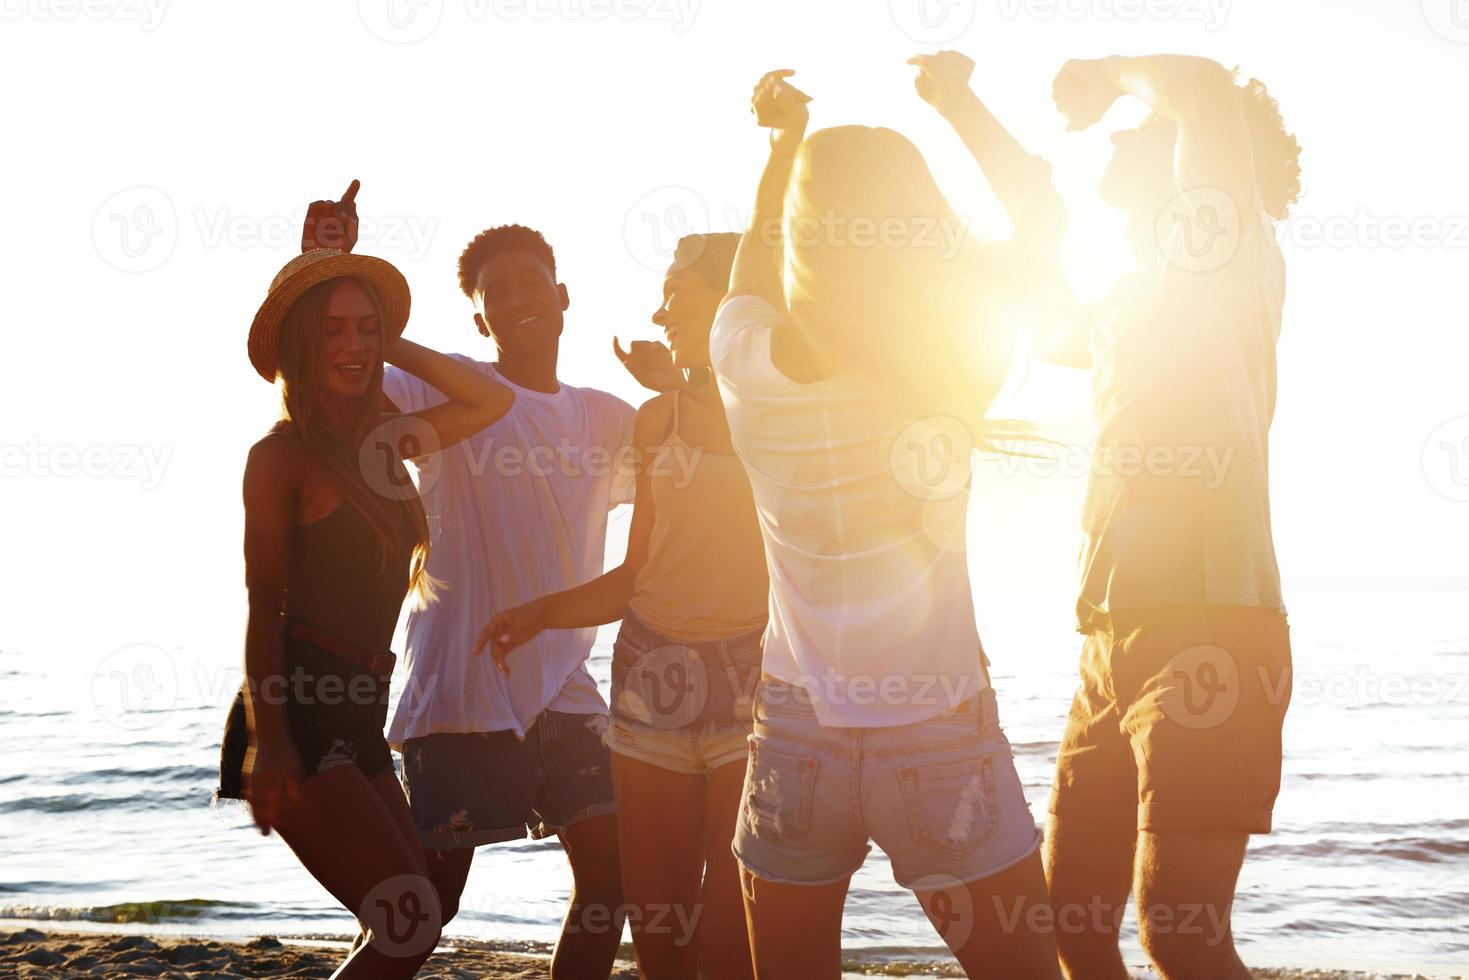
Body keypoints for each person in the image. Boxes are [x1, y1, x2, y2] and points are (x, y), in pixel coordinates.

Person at [709, 57, 1065, 979]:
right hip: (936, 722)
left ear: (803, 236)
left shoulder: (743, 366)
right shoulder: (950, 370)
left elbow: (751, 249)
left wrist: (784, 146)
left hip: (794, 736)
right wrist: (955, 102)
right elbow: (1038, 218)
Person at [1037, 55, 1300, 980]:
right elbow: (1032, 321)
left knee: (1179, 937)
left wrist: (1104, 74)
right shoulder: (1131, 296)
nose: (1117, 131)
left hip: (1210, 629)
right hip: (1108, 634)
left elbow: (1195, 84)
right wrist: (975, 130)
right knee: (1066, 921)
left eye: (1139, 128)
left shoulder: (1221, 250)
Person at [218, 180, 516, 978]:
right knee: (408, 920)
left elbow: (489, 397)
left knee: (419, 912)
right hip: (298, 714)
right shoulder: (278, 459)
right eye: (332, 331)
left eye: (366, 329)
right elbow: (262, 607)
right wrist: (272, 743)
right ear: (300, 347)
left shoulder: (385, 445)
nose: (352, 346)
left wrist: (385, 338)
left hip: (360, 709)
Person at [478, 233, 766, 980]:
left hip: (747, 682)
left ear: (731, 300)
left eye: (677, 292)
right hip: (648, 677)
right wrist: (539, 612)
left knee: (732, 932)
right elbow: (635, 574)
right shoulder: (653, 419)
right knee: (660, 933)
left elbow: (749, 430)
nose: (659, 310)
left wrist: (685, 377)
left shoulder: (777, 414)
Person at [379, 219, 635, 979]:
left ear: (562, 295)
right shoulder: (444, 384)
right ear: (479, 319)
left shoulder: (605, 415)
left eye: (532, 282)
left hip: (565, 686)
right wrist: (331, 269)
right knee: (428, 908)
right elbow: (341, 374)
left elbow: (705, 478)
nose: (520, 298)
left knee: (608, 885)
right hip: (462, 689)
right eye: (498, 292)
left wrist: (679, 379)